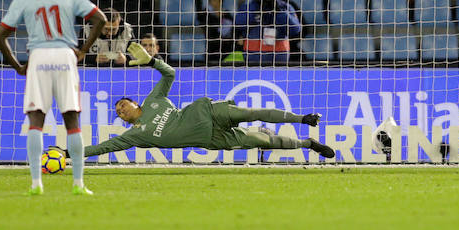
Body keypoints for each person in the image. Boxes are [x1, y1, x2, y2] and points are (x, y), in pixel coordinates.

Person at [74, 42, 335, 160]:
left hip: (209, 112)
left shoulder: (154, 100)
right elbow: (104, 147)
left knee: (252, 112)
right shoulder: (134, 136)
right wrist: (70, 154)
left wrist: (153, 61)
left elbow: (170, 73)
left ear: (135, 104)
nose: (121, 110)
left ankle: (303, 118)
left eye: (122, 105)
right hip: (213, 139)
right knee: (263, 142)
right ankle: (308, 144)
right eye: (118, 112)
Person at [0, 0, 107, 195]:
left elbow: (0, 36)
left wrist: (18, 66)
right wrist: (83, 50)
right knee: (72, 120)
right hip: (65, 54)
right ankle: (78, 184)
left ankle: (36, 184)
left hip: (38, 56)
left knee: (36, 120)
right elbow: (100, 19)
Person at [234, 0, 301, 64]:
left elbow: (295, 30)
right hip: (253, 63)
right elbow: (238, 24)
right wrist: (256, 8)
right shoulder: (248, 8)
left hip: (279, 63)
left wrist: (278, 11)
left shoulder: (285, 8)